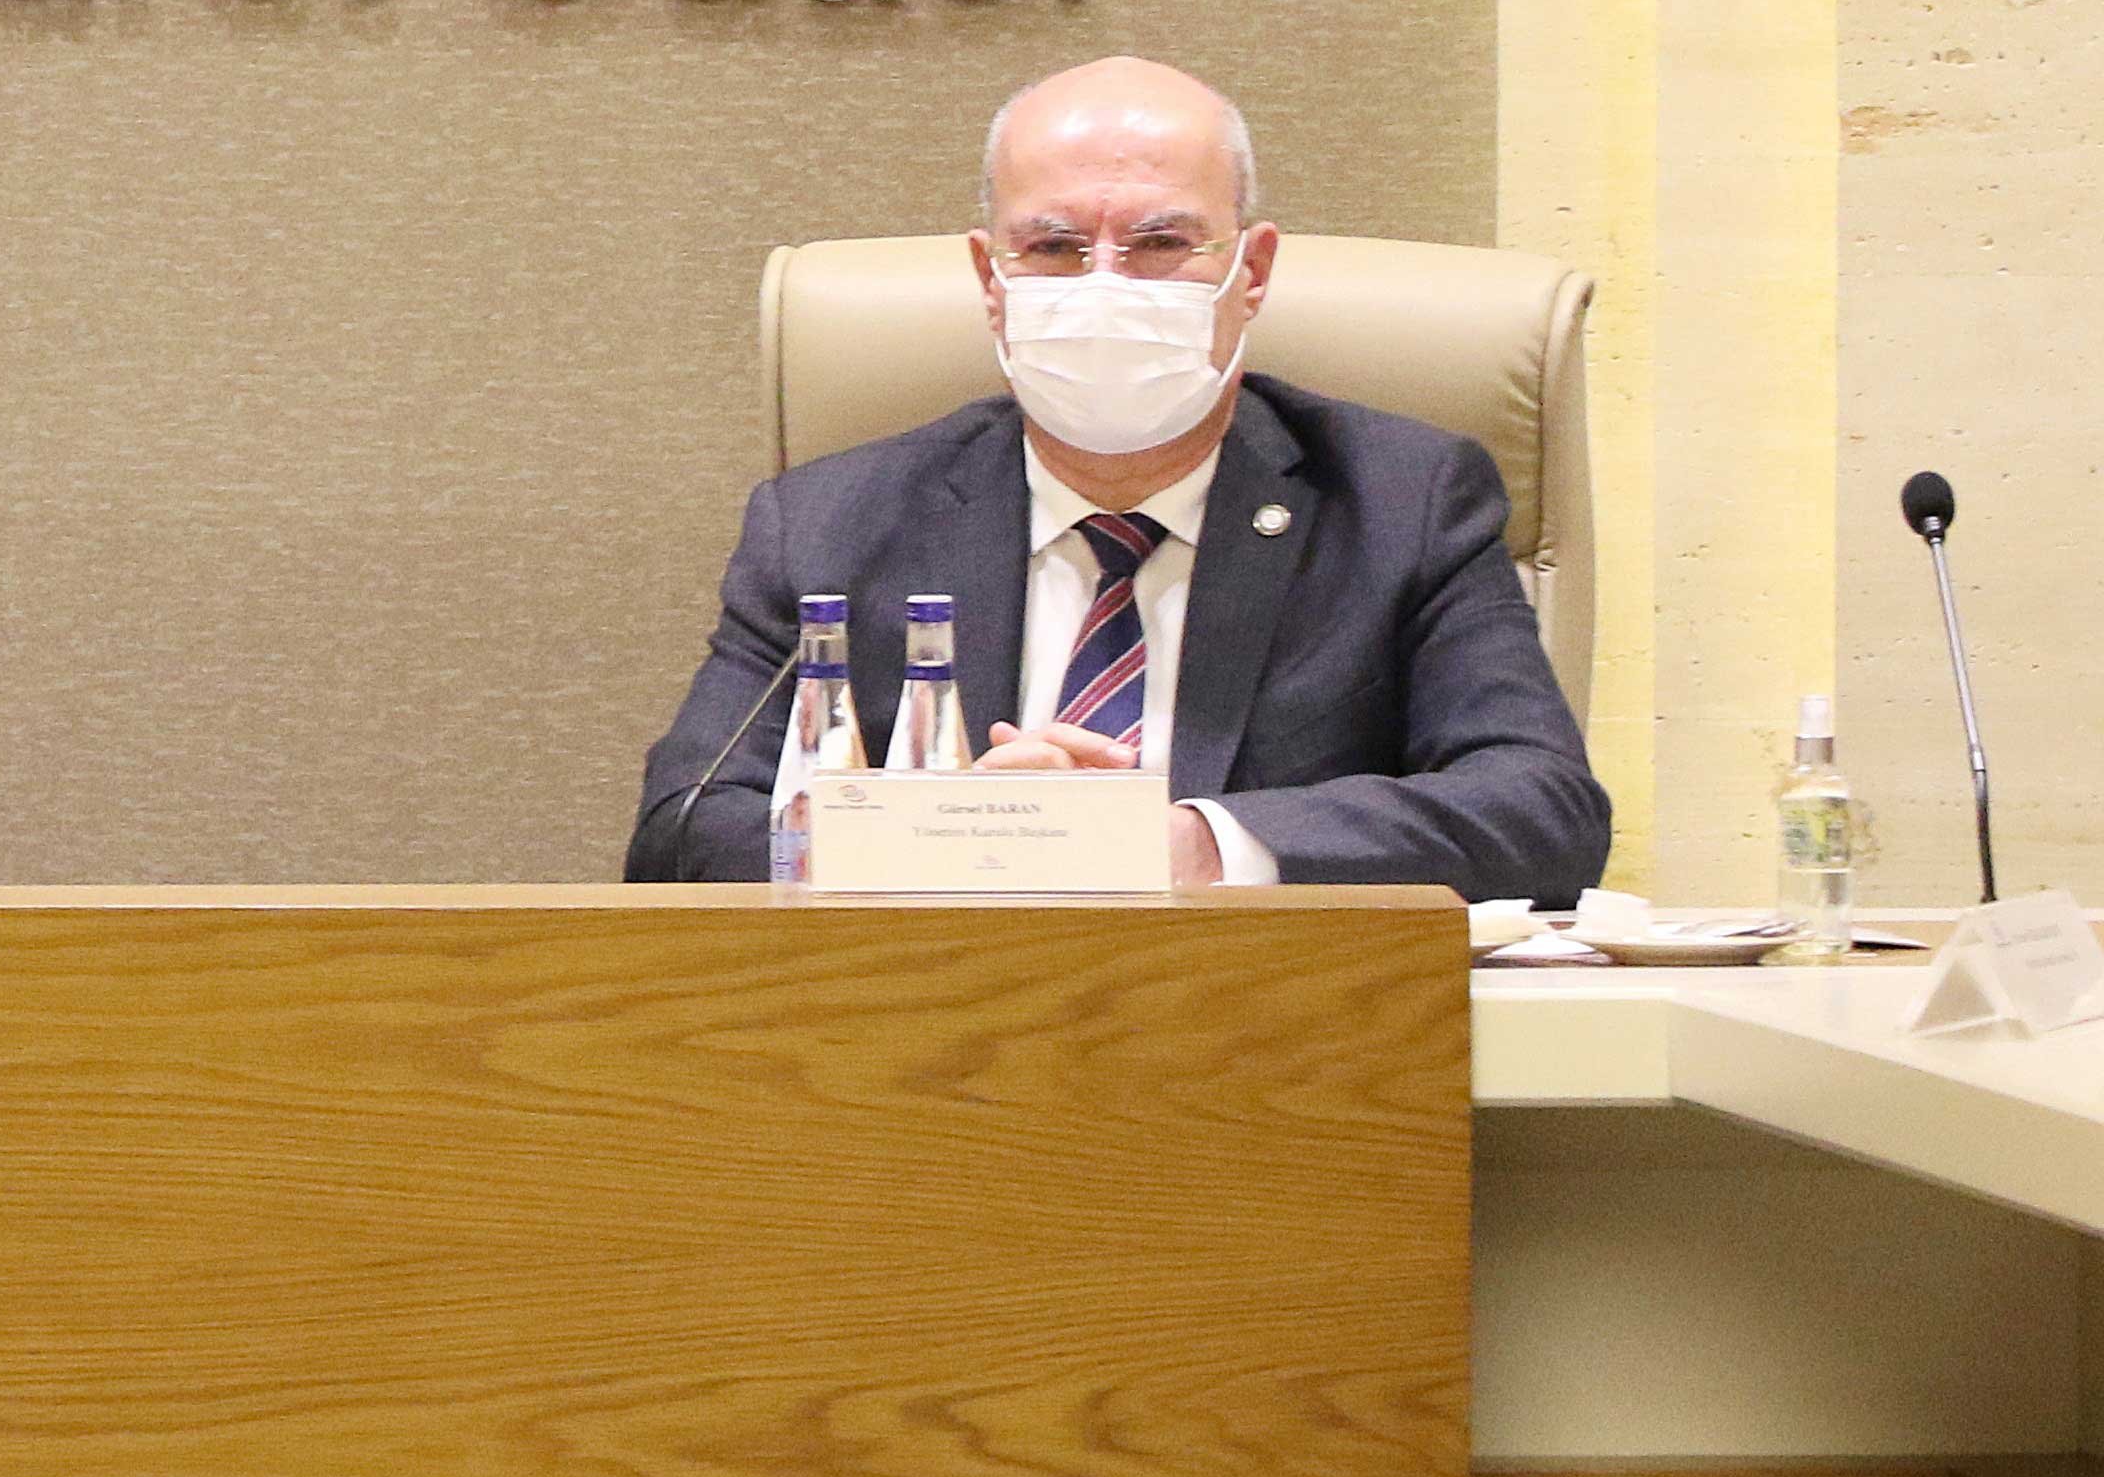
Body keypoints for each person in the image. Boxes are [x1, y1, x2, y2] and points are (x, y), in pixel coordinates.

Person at [623, 55, 1608, 899]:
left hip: (1274, 1028)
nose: (1104, 283)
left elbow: (1544, 808)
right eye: (1054, 247)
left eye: (1161, 243)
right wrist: (952, 838)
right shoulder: (833, 524)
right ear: (991, 279)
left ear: (1252, 272)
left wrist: (1200, 845)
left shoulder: (1403, 501)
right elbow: (684, 829)